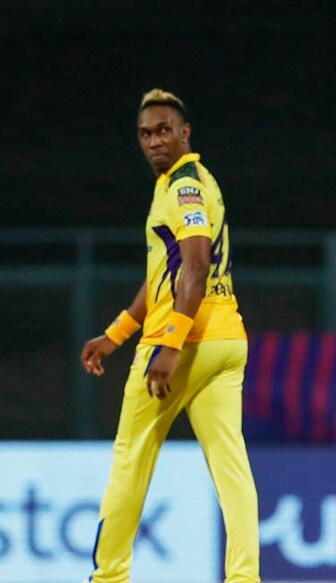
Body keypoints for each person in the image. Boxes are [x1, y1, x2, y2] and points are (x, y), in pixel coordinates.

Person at [80, 89, 260, 583]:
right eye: (145, 134)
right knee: (232, 468)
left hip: (184, 342)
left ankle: (109, 577)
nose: (154, 140)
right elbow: (166, 271)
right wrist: (115, 334)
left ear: (185, 133)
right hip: (226, 341)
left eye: (163, 130)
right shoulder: (187, 182)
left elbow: (196, 267)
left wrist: (170, 344)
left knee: (130, 461)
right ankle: (246, 578)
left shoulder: (183, 186)